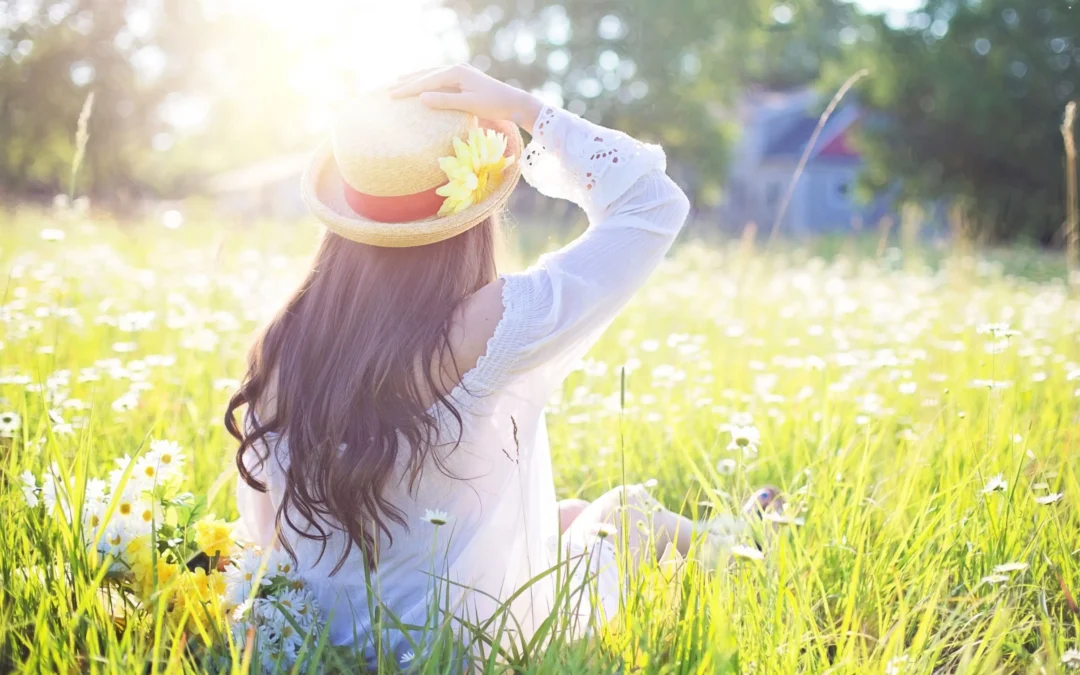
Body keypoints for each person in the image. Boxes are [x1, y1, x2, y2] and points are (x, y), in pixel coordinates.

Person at [225, 64, 729, 666]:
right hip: (464, 647)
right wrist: (528, 110)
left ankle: (742, 532)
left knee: (564, 515)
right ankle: (749, 547)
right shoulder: (486, 325)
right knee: (625, 511)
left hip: (319, 636)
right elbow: (652, 205)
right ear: (470, 214)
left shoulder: (283, 340)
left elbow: (266, 528)